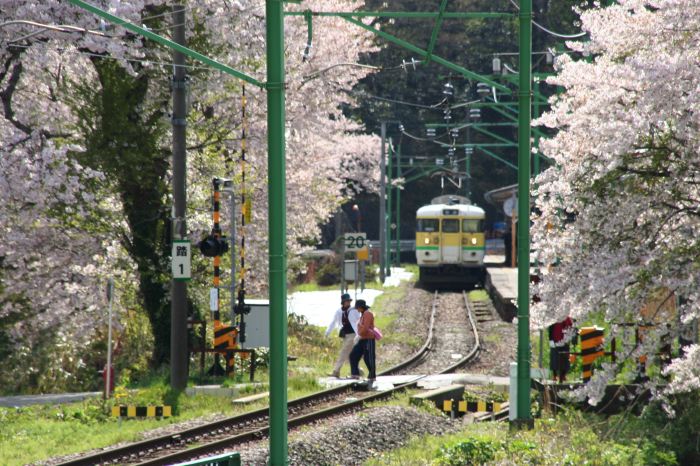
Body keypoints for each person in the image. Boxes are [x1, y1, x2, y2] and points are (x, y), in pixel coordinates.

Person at [325, 293, 360, 378]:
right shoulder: (339, 312)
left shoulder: (353, 310)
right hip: (346, 335)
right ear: (343, 302)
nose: (348, 302)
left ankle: (336, 371)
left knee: (343, 352)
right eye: (346, 301)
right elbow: (333, 322)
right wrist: (327, 332)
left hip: (353, 335)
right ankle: (358, 371)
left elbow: (358, 321)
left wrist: (359, 334)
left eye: (349, 301)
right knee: (350, 355)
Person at [349, 299, 377, 386]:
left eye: (357, 308)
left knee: (369, 357)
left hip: (368, 338)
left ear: (361, 307)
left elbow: (365, 328)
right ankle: (355, 374)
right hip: (362, 338)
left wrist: (359, 334)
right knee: (353, 355)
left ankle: (372, 375)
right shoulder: (362, 314)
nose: (357, 310)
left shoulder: (368, 314)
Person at [548, 316, 574, 383]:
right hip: (555, 340)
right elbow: (550, 328)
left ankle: (563, 376)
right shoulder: (554, 317)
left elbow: (571, 329)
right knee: (554, 358)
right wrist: (550, 339)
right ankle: (555, 376)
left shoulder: (568, 318)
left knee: (565, 359)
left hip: (565, 341)